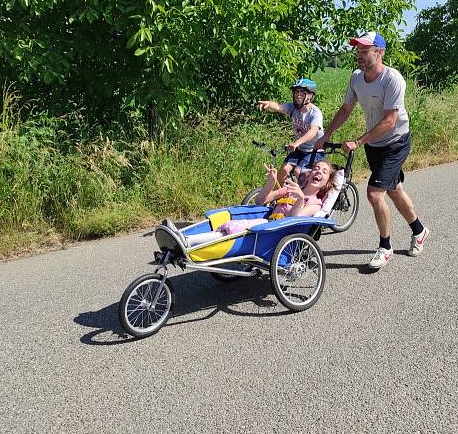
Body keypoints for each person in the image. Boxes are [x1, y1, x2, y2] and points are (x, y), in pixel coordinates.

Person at [315, 31, 429, 269]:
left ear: (379, 52)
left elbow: (389, 121)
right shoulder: (356, 78)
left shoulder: (392, 79)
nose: (359, 55)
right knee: (395, 190)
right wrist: (326, 135)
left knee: (375, 193)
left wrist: (358, 142)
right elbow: (346, 109)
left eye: (365, 51)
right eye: (357, 50)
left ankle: (384, 247)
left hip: (395, 141)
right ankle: (419, 231)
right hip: (375, 144)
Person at [179, 160, 337, 247]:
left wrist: (300, 199)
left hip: (276, 232)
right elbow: (261, 200)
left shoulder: (315, 203)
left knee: (232, 228)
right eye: (316, 168)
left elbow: (294, 220)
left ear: (326, 182)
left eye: (324, 171)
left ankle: (188, 241)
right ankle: (185, 236)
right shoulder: (291, 188)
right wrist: (271, 182)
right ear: (309, 175)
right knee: (230, 223)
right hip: (267, 225)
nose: (318, 172)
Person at [257, 78, 325, 185]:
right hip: (299, 149)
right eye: (296, 92)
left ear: (310, 95)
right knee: (283, 170)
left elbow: (313, 132)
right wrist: (269, 104)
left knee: (299, 172)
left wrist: (296, 143)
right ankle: (278, 198)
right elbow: (279, 107)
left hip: (315, 151)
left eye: (302, 92)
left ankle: (304, 199)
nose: (298, 95)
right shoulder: (293, 108)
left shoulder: (315, 113)